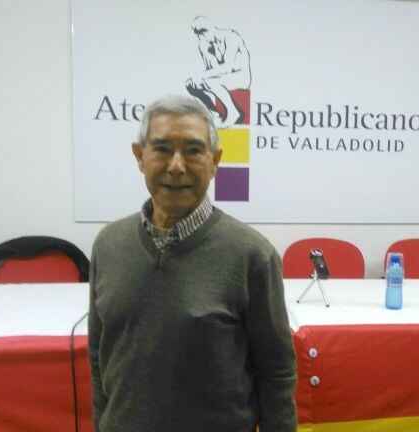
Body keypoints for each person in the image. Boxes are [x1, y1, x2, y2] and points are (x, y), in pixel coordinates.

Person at [88, 95, 297, 431]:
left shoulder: (253, 255)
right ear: (139, 157)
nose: (176, 165)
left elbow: (277, 373)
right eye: (161, 149)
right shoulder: (108, 246)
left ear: (215, 162)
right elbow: (99, 360)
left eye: (193, 150)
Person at [186, 16, 251, 126]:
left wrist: (201, 75)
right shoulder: (203, 44)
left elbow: (228, 67)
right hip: (223, 77)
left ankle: (233, 112)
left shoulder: (231, 37)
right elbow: (213, 69)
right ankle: (213, 113)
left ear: (208, 29)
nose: (199, 36)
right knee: (190, 84)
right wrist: (198, 78)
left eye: (201, 33)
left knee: (210, 82)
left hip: (241, 76)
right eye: (196, 33)